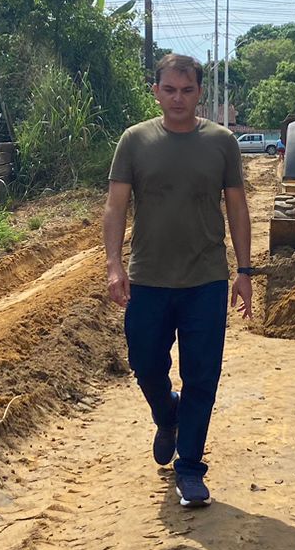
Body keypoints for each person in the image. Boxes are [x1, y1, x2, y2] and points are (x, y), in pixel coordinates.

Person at [105, 54, 253, 508]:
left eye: (187, 91)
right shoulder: (135, 141)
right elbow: (115, 207)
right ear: (156, 91)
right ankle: (166, 414)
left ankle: (190, 467)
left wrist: (244, 271)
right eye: (169, 89)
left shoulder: (222, 142)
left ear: (199, 94)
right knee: (145, 363)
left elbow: (238, 208)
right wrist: (114, 264)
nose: (178, 99)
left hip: (205, 279)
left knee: (202, 376)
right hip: (149, 278)